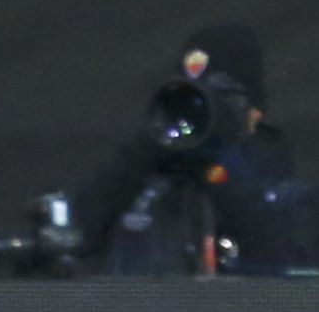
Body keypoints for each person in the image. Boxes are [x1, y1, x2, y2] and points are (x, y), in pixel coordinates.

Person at [71, 24, 314, 275]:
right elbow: (76, 237)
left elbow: (286, 272)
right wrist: (143, 150)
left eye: (222, 99)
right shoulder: (142, 191)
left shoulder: (289, 198)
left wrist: (224, 171)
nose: (200, 112)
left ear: (255, 112)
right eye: (190, 98)